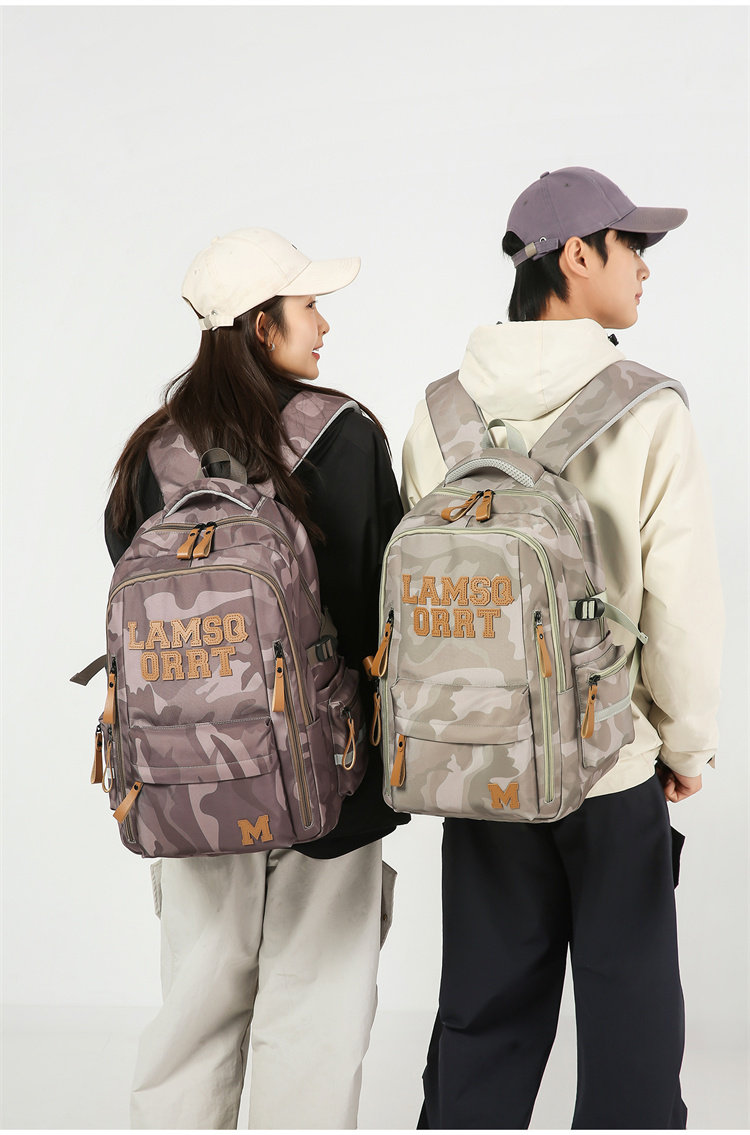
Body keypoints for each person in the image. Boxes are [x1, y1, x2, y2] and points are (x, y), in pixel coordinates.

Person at [401, 167, 723, 1129]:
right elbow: (681, 605)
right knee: (629, 1008)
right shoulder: (648, 408)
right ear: (577, 256)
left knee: (483, 1004)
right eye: (634, 247)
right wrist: (686, 743)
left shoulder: (438, 413)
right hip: (608, 756)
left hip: (477, 754)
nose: (645, 269)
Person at [105, 227, 408, 1129]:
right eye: (309, 306)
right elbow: (381, 605)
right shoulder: (344, 435)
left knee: (193, 1017)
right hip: (331, 784)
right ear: (261, 324)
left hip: (187, 789)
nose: (324, 325)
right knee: (314, 1023)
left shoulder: (152, 453)